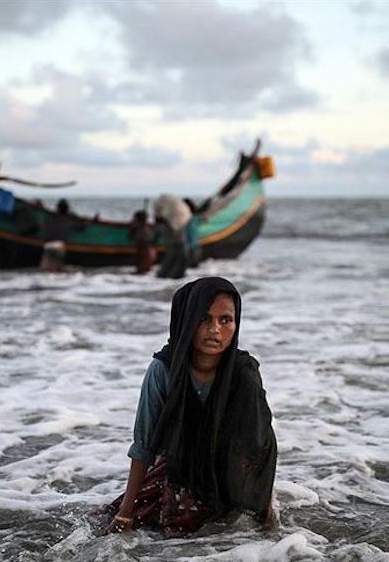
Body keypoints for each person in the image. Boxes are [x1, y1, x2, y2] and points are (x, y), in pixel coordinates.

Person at [105, 277, 277, 537]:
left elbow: (259, 446)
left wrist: (263, 507)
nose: (215, 330)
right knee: (167, 532)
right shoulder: (164, 370)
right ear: (186, 321)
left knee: (237, 535)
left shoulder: (244, 373)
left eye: (225, 320)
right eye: (203, 318)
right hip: (180, 467)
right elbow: (144, 446)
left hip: (231, 474)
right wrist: (125, 513)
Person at [40, 198, 84, 272]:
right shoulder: (70, 219)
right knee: (57, 270)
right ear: (67, 209)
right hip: (59, 246)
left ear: (58, 208)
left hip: (48, 245)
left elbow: (45, 215)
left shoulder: (51, 217)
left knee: (46, 270)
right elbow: (81, 227)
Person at [128, 209, 156, 275]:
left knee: (142, 258)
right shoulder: (144, 228)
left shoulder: (142, 229)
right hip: (144, 247)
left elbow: (131, 236)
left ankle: (141, 270)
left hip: (144, 248)